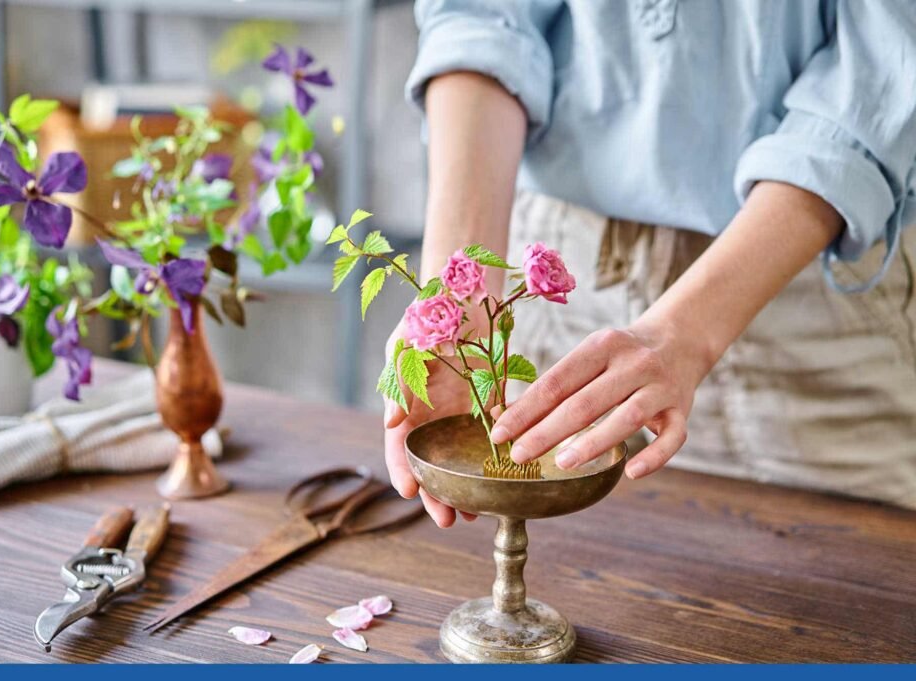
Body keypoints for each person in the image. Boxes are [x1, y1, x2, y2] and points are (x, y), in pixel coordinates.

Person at [385, 0, 916, 526]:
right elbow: (483, 20)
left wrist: (686, 333)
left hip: (807, 281)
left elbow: (886, 72)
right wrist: (458, 300)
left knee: (853, 580)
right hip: (557, 268)